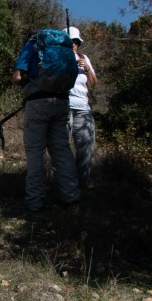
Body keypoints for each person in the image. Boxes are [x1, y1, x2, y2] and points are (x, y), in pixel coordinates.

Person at [12, 30, 80, 212]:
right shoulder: (63, 47)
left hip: (38, 104)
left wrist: (26, 85)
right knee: (62, 150)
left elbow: (17, 77)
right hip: (62, 102)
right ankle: (70, 197)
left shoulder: (32, 45)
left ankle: (35, 202)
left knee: (35, 152)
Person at [65, 26, 97, 189]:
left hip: (83, 108)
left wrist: (87, 68)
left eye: (76, 42)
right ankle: (66, 183)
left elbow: (93, 82)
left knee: (86, 146)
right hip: (64, 106)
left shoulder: (84, 58)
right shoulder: (59, 57)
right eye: (70, 41)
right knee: (63, 147)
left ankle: (83, 182)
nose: (74, 44)